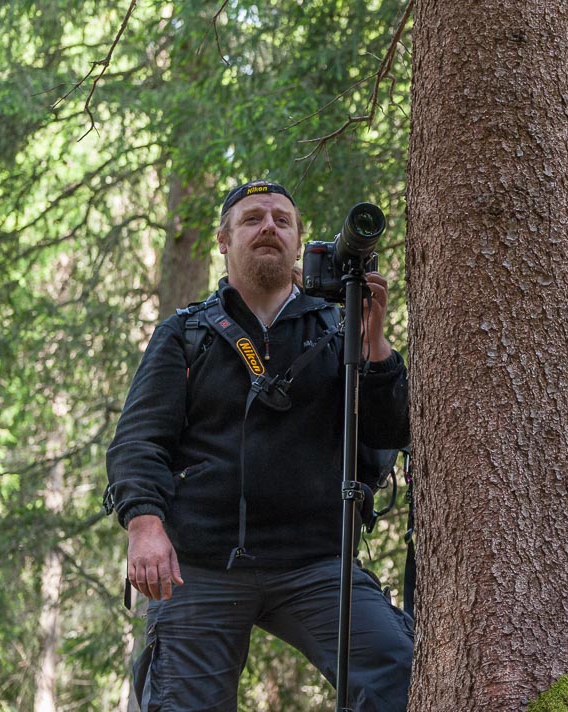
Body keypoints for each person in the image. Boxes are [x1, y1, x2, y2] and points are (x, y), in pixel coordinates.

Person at [104, 179, 413, 711]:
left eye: (281, 219)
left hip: (317, 561)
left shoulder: (340, 333)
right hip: (202, 562)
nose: (268, 226)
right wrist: (145, 526)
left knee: (402, 673)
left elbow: (388, 438)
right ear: (224, 241)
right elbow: (138, 440)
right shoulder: (185, 335)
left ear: (298, 244)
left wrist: (375, 349)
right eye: (252, 219)